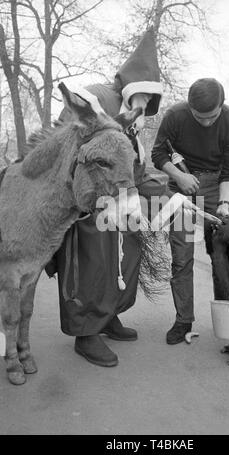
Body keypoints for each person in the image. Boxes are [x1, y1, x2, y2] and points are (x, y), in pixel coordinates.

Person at [48, 28, 165, 367]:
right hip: (90, 206)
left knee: (127, 261)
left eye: (150, 99)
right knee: (92, 267)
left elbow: (136, 168)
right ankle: (86, 333)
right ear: (130, 85)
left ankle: (108, 315)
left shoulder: (135, 121)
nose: (145, 104)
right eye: (142, 95)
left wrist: (161, 194)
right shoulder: (96, 97)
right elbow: (66, 144)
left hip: (121, 209)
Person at [151, 78, 229, 345]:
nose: (205, 122)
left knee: (220, 257)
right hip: (180, 187)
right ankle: (183, 320)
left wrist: (224, 204)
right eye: (199, 117)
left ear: (222, 105)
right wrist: (179, 178)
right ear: (190, 107)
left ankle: (226, 317)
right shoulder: (175, 116)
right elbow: (158, 154)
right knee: (181, 257)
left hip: (217, 186)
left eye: (211, 117)